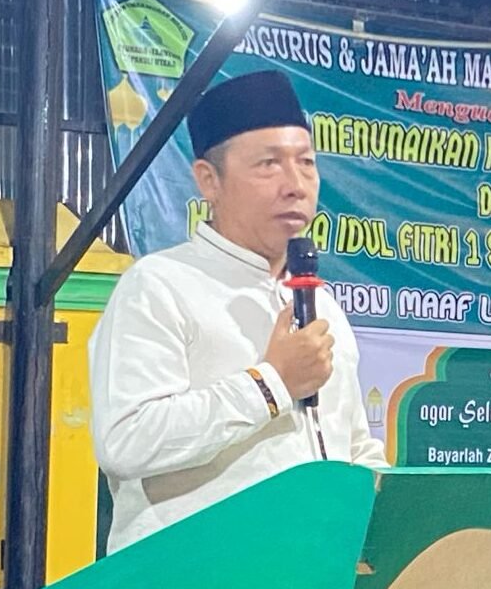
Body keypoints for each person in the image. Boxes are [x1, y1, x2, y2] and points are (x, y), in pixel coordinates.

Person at [89, 70, 384, 551]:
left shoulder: (322, 305)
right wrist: (272, 384)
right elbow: (127, 441)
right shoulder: (159, 286)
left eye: (306, 163)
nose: (295, 185)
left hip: (308, 583)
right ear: (209, 181)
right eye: (269, 164)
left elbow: (350, 446)